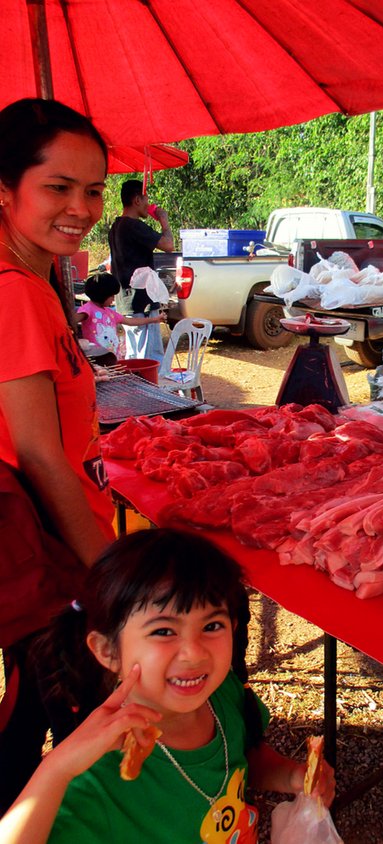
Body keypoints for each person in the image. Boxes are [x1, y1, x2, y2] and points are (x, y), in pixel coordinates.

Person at [0, 528, 336, 843]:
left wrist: (291, 777)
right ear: (107, 650)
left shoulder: (222, 696)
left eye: (212, 625)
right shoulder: (102, 774)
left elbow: (244, 756)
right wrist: (56, 769)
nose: (193, 653)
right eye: (163, 631)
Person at [0, 97, 116, 814]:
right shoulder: (13, 294)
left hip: (50, 557)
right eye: (59, 187)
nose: (82, 207)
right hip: (50, 559)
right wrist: (116, 580)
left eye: (95, 188)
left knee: (33, 723)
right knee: (63, 729)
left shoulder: (35, 282)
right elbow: (41, 457)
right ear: (5, 191)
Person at [108, 179, 174, 362]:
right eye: (146, 199)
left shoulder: (116, 226)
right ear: (137, 200)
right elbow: (168, 244)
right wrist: (164, 221)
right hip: (141, 303)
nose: (149, 205)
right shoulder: (133, 225)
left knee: (134, 357)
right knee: (148, 360)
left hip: (127, 301)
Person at [77, 271, 167, 364]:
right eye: (111, 296)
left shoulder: (109, 312)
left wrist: (154, 320)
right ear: (102, 294)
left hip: (112, 359)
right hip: (96, 360)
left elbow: (130, 321)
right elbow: (73, 319)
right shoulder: (88, 309)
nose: (113, 299)